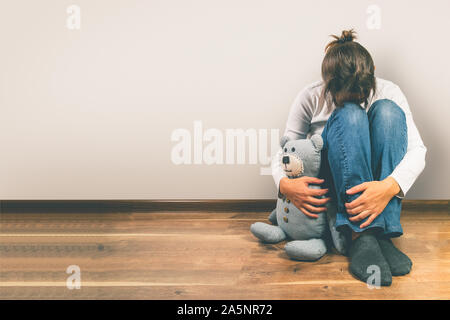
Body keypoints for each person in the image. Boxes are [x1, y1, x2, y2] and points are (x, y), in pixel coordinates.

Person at [272, 29, 427, 286]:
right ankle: (361, 236)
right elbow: (284, 149)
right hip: (335, 188)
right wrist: (284, 184)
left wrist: (388, 187)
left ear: (373, 72)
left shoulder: (390, 91)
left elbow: (418, 150)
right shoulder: (310, 96)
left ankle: (381, 233)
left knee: (388, 112)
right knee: (351, 115)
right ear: (328, 84)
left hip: (379, 192)